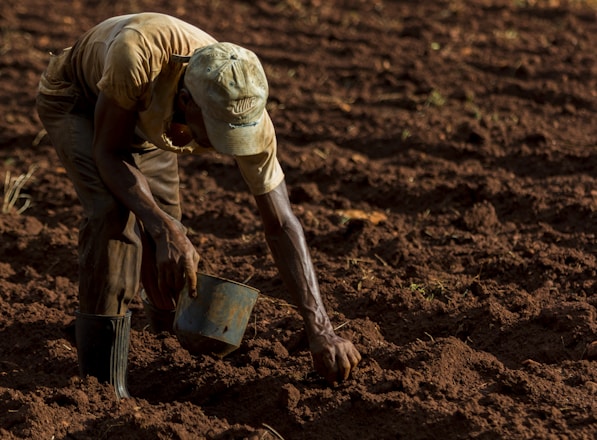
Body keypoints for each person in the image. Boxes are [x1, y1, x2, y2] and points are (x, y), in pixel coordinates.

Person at [36, 12, 361, 399]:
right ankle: (102, 384)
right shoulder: (137, 56)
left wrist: (320, 328)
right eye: (218, 131)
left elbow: (282, 223)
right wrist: (159, 227)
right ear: (187, 102)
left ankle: (159, 344)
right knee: (115, 217)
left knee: (167, 234)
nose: (227, 147)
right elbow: (108, 152)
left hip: (147, 121)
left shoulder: (243, 101)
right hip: (79, 99)